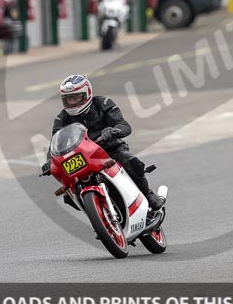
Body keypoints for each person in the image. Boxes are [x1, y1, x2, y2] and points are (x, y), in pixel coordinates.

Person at [42, 74, 165, 211]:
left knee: (132, 162)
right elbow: (55, 142)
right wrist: (50, 161)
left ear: (87, 93)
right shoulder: (62, 117)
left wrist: (114, 131)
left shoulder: (103, 103)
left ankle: (148, 195)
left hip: (110, 149)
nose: (72, 102)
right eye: (68, 99)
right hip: (83, 156)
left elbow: (124, 125)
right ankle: (98, 215)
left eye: (76, 97)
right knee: (69, 194)